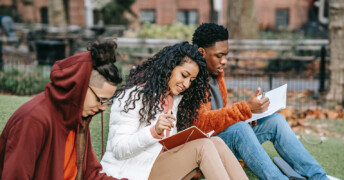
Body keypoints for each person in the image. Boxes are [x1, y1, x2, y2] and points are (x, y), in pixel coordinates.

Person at [192, 23, 328, 180]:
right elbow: (200, 124)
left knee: (275, 121)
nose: (225, 61)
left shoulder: (216, 76)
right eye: (219, 56)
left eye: (226, 55)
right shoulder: (191, 78)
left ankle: (319, 177)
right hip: (204, 148)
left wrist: (247, 116)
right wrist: (243, 110)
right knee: (239, 129)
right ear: (202, 52)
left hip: (221, 138)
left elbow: (218, 114)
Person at [100, 42, 248, 180]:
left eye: (191, 80)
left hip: (155, 164)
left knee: (216, 142)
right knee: (203, 147)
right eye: (184, 75)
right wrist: (153, 131)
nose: (186, 84)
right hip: (131, 172)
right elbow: (119, 149)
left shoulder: (173, 100)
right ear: (169, 67)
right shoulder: (132, 96)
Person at [0, 39, 124, 180]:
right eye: (99, 99)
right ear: (80, 87)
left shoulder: (77, 118)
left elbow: (90, 174)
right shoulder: (33, 120)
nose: (102, 107)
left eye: (107, 102)